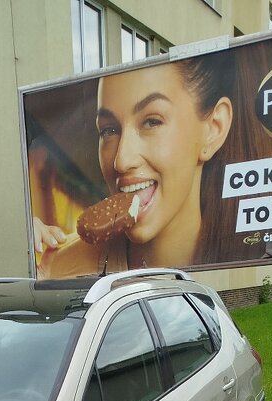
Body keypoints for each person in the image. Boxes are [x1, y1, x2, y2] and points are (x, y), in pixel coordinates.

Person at [37, 52, 258, 277]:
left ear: (213, 129)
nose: (121, 161)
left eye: (152, 122)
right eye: (109, 130)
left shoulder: (248, 253)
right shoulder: (62, 268)